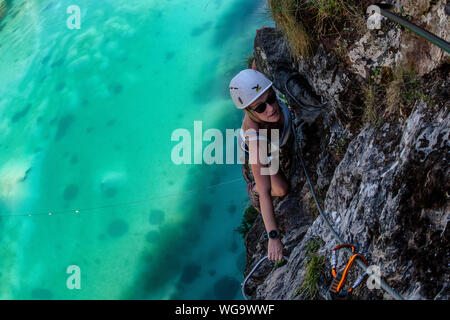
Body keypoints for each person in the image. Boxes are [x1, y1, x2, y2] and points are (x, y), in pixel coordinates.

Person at [229, 68, 292, 261]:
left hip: (275, 142)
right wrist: (273, 237)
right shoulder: (256, 139)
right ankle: (252, 188)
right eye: (260, 108)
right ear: (249, 111)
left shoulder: (266, 96)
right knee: (280, 189)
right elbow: (267, 193)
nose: (271, 108)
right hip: (264, 150)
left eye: (271, 99)